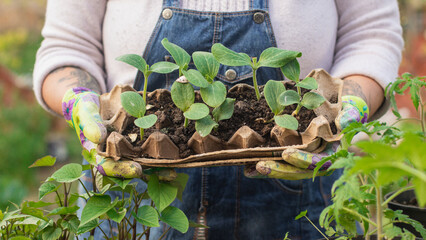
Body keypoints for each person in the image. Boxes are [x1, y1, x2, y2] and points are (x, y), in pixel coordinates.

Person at [33, 0, 404, 239]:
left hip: (304, 190)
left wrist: (349, 108)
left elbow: (371, 35)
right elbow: (68, 46)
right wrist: (79, 101)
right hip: (132, 197)